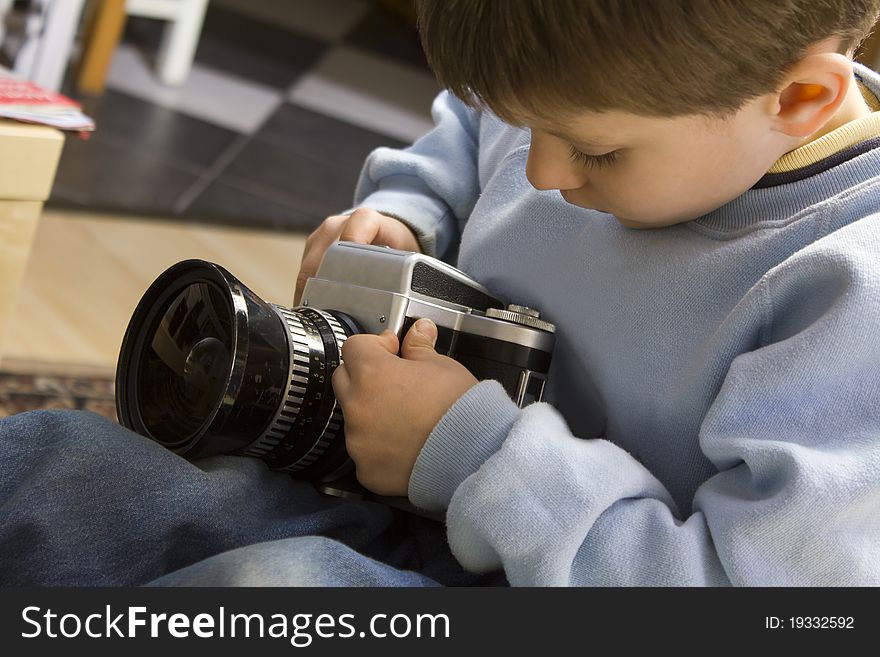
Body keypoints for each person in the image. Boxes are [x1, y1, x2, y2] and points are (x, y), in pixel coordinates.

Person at [2, 0, 879, 586]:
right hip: (405, 507)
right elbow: (470, 129)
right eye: (526, 122)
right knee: (54, 469)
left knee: (262, 592)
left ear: (801, 98)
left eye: (596, 151)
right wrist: (406, 214)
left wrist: (473, 453)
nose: (539, 171)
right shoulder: (596, 82)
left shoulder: (847, 294)